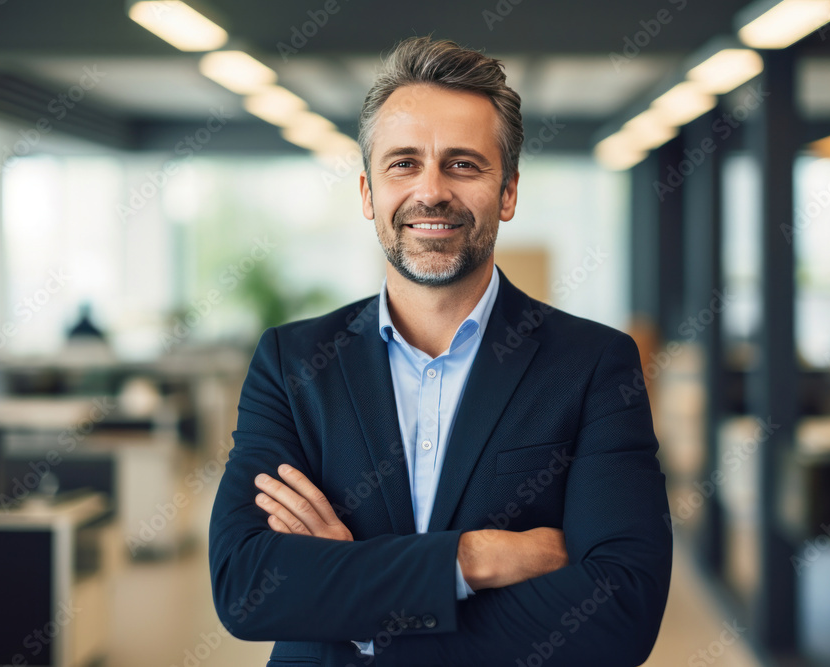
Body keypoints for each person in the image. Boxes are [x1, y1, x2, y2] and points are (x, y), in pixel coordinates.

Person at [209, 36, 672, 667]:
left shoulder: (593, 366)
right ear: (369, 193)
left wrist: (357, 602)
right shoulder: (293, 364)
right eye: (403, 163)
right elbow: (245, 585)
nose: (431, 192)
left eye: (463, 164)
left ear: (507, 192)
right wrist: (474, 558)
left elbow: (621, 611)